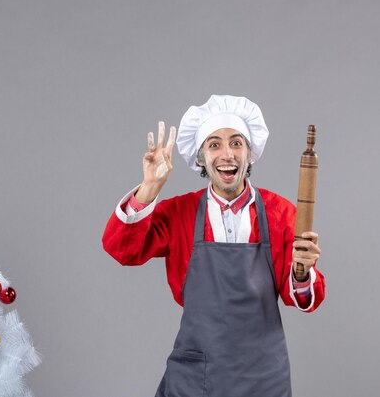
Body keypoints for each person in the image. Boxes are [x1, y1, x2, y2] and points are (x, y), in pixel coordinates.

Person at [102, 95, 325, 397]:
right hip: (196, 375)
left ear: (250, 153)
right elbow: (122, 249)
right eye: (214, 144)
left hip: (263, 376)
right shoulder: (179, 212)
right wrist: (150, 187)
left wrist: (302, 273)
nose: (227, 154)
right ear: (201, 157)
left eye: (236, 143)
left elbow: (301, 298)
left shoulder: (280, 214)